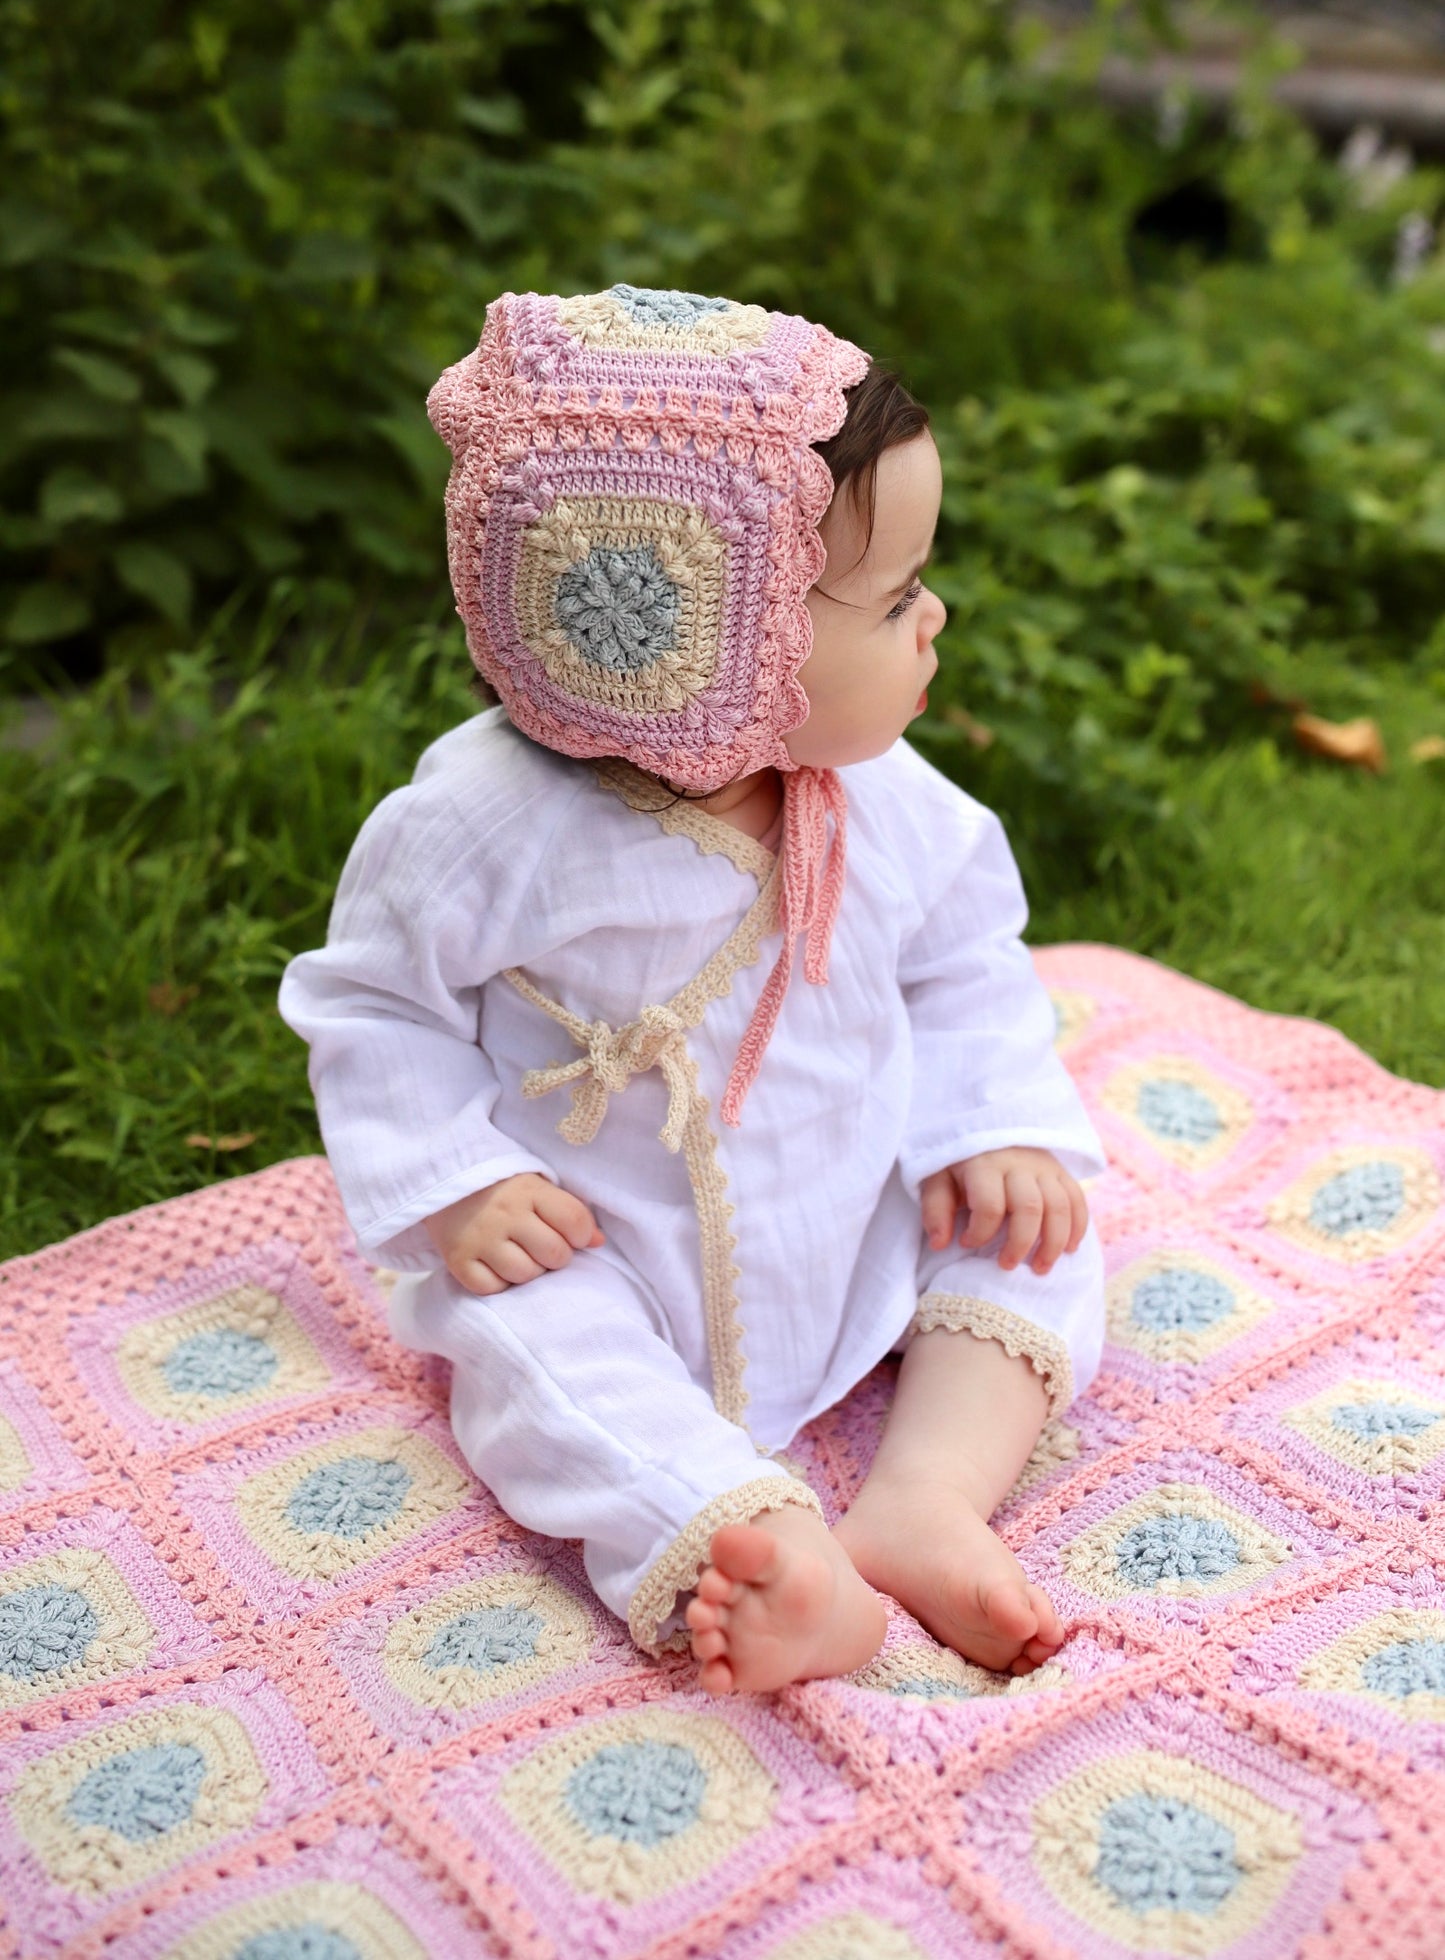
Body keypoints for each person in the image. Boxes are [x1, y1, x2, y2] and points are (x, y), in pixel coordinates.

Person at [279, 284, 1105, 1697]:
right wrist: (459, 1187)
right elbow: (374, 1006)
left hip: (854, 1202)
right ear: (724, 649)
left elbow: (964, 961)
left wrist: (992, 1127)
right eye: (893, 597)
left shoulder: (882, 797)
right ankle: (754, 1535)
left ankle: (926, 1496)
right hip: (600, 1240)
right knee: (533, 1354)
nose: (934, 616)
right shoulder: (489, 827)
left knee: (1039, 1232)